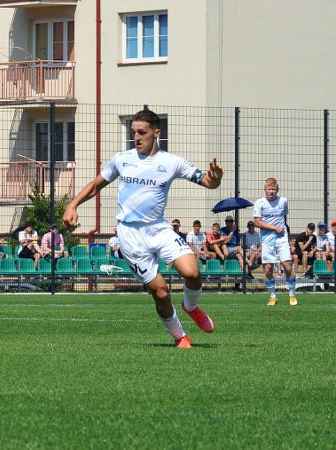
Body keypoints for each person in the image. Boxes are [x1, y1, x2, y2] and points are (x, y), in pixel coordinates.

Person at [62, 107, 223, 349]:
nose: (136, 137)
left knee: (192, 272)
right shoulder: (122, 159)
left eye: (142, 132)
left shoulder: (171, 162)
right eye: (133, 132)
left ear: (156, 133)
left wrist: (216, 179)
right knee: (161, 293)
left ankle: (190, 307)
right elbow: (96, 185)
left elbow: (207, 182)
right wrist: (72, 205)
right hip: (130, 235)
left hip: (159, 229)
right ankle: (180, 336)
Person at [253, 177, 297, 307]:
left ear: (277, 190)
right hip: (267, 239)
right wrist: (274, 228)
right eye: (269, 189)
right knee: (268, 269)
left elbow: (284, 218)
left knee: (287, 266)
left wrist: (285, 234)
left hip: (281, 238)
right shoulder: (259, 203)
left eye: (273, 189)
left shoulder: (283, 201)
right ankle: (273, 297)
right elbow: (257, 222)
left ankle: (292, 294)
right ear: (265, 189)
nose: (271, 191)